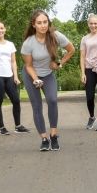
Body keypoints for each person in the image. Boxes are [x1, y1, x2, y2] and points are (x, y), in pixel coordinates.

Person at [21, 9, 75, 151]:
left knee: (52, 100)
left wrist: (60, 63)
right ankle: (44, 139)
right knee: (37, 106)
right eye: (39, 23)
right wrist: (36, 79)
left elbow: (71, 49)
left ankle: (53, 135)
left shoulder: (56, 36)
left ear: (48, 22)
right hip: (31, 75)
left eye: (45, 22)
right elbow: (28, 66)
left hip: (48, 74)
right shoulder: (28, 43)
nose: (43, 25)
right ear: (34, 25)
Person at [0, 20, 30, 135]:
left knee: (16, 100)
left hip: (9, 76)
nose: (0, 30)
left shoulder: (10, 44)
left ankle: (18, 126)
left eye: (1, 28)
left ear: (5, 29)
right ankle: (2, 128)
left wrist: (16, 76)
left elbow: (13, 62)